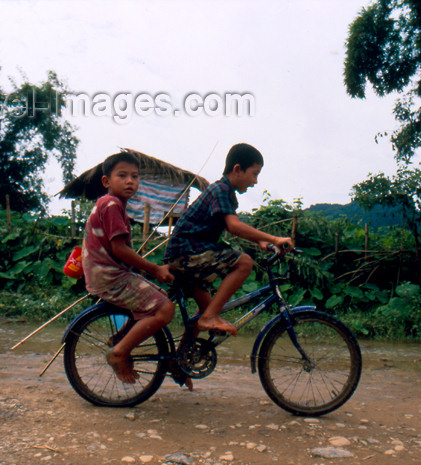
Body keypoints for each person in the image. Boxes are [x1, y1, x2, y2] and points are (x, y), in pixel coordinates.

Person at [164, 143, 294, 336]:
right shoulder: (220, 190)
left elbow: (230, 226)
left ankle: (181, 361)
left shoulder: (226, 193)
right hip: (187, 252)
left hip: (184, 253)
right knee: (244, 262)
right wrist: (274, 238)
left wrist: (259, 241)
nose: (255, 181)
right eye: (254, 174)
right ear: (237, 169)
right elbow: (234, 226)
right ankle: (209, 318)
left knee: (204, 311)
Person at [81, 151, 175, 384]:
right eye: (122, 175)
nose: (130, 181)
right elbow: (119, 250)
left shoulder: (111, 204)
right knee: (165, 309)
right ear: (107, 181)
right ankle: (120, 352)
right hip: (110, 276)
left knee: (158, 299)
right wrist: (154, 269)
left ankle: (119, 341)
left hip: (106, 273)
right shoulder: (112, 204)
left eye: (134, 176)